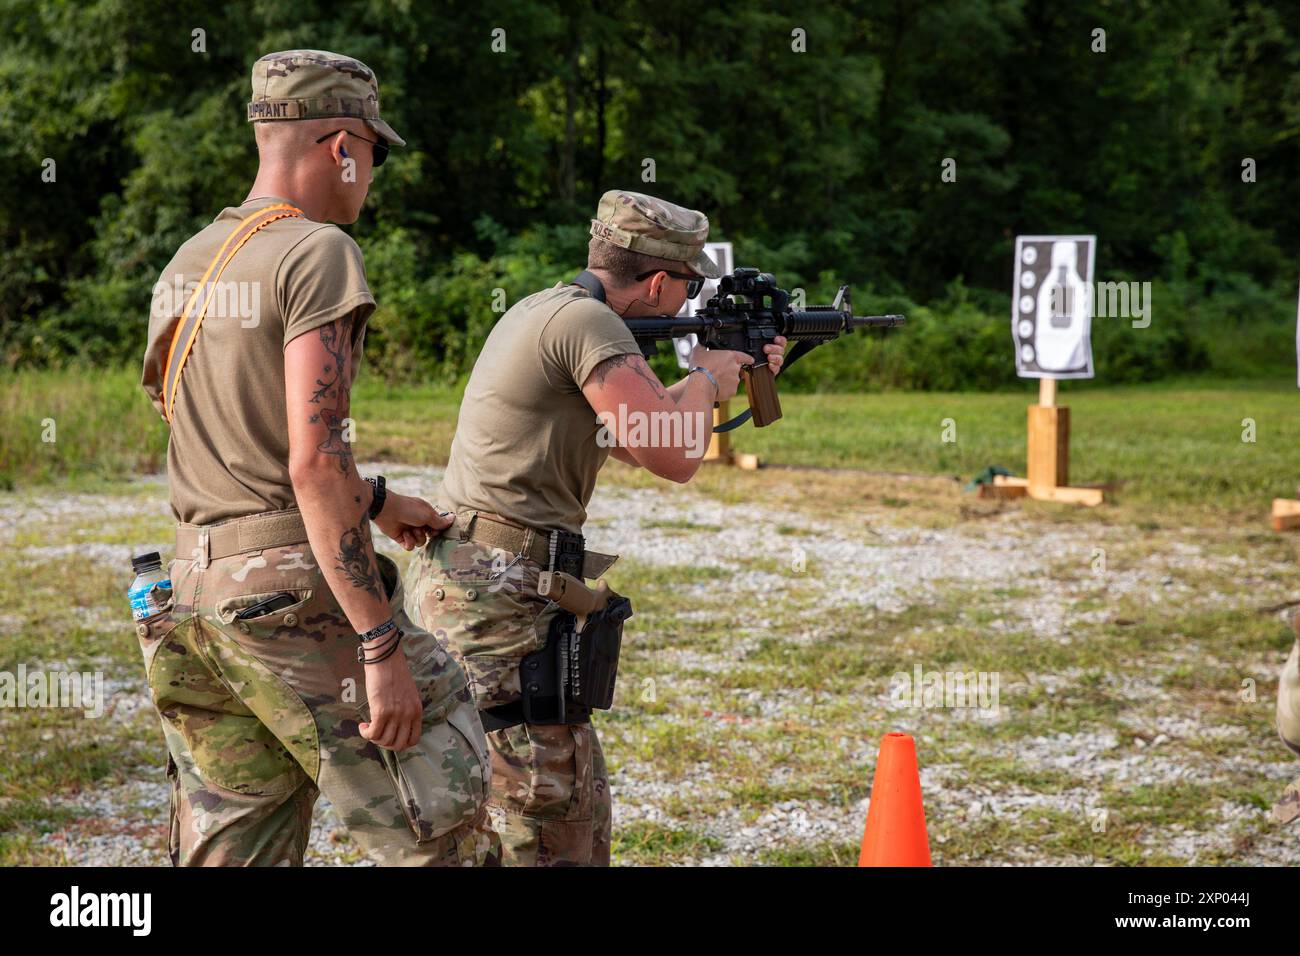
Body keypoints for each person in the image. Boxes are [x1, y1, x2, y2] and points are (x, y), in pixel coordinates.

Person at [137, 49, 498, 866]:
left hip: (190, 601)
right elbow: (311, 461)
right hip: (287, 602)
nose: (369, 173)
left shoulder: (188, 264)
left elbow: (216, 434)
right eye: (371, 152)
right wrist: (379, 643)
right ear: (341, 144)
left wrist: (373, 501)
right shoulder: (316, 252)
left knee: (238, 845)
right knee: (438, 815)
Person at [404, 189, 785, 865]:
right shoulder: (591, 326)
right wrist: (705, 377)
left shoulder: (543, 309)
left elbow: (634, 436)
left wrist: (718, 379)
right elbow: (672, 455)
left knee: (487, 804)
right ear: (659, 280)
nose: (683, 307)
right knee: (552, 817)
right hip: (501, 596)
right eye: (684, 291)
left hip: (472, 583)